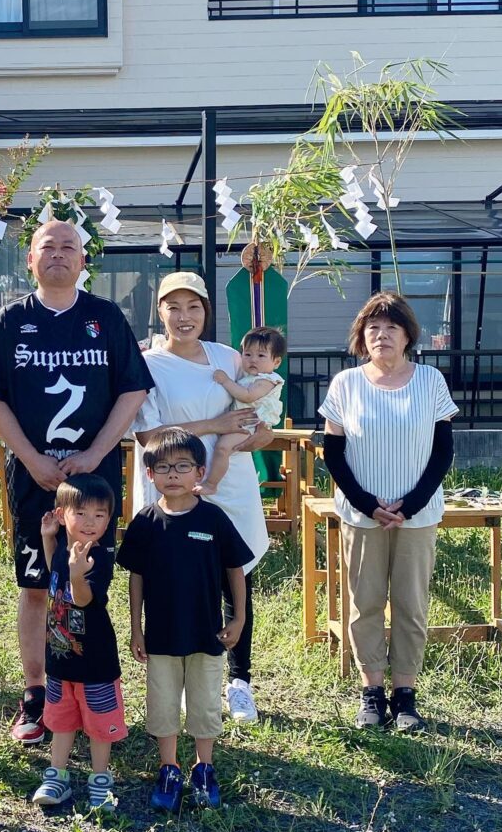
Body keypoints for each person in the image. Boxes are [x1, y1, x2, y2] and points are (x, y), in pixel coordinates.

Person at [0, 219, 153, 745]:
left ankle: (91, 686)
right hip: (34, 480)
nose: (57, 254)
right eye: (46, 247)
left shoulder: (106, 317)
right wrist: (29, 459)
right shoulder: (9, 322)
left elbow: (133, 390)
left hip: (93, 487)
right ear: (29, 260)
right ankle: (36, 693)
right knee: (34, 588)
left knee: (89, 588)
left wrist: (97, 454)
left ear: (82, 260)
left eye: (68, 246)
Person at [132, 271, 272, 724]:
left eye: (193, 307)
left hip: (230, 482)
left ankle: (239, 680)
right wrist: (214, 428)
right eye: (174, 307)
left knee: (236, 573)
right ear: (160, 312)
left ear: (206, 312)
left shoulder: (229, 357)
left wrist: (254, 436)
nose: (184, 317)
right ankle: (183, 679)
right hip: (174, 485)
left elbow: (254, 415)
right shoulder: (148, 365)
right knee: (177, 578)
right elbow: (148, 434)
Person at [319, 292, 457, 732]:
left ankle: (406, 694)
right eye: (373, 328)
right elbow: (333, 454)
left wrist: (410, 503)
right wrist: (367, 503)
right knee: (365, 603)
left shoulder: (431, 380)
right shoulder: (346, 383)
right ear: (361, 336)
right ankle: (371, 692)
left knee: (411, 604)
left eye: (391, 328)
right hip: (362, 516)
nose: (382, 336)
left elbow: (442, 452)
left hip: (418, 514)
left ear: (407, 335)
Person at [118, 428, 252, 812]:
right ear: (149, 474)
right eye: (163, 467)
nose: (172, 474)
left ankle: (204, 768)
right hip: (160, 635)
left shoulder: (213, 518)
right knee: (162, 705)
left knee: (206, 703)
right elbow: (136, 576)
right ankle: (169, 768)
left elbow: (235, 569)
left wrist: (239, 618)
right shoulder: (145, 521)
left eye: (182, 466)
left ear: (200, 471)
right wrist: (136, 628)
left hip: (207, 634)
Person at [32, 473, 126, 810]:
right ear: (61, 515)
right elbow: (54, 571)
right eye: (81, 513)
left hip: (95, 662)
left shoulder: (99, 558)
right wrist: (47, 539)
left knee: (100, 725)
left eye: (100, 515)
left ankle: (100, 780)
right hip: (60, 658)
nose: (90, 522)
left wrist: (77, 574)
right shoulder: (64, 549)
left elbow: (84, 600)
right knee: (61, 719)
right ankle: (57, 775)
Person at [195, 326, 286, 497]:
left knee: (222, 449)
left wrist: (225, 381)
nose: (253, 360)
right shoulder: (249, 377)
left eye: (261, 355)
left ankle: (211, 484)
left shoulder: (267, 380)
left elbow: (247, 396)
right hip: (244, 422)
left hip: (251, 425)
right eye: (248, 354)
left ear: (276, 362)